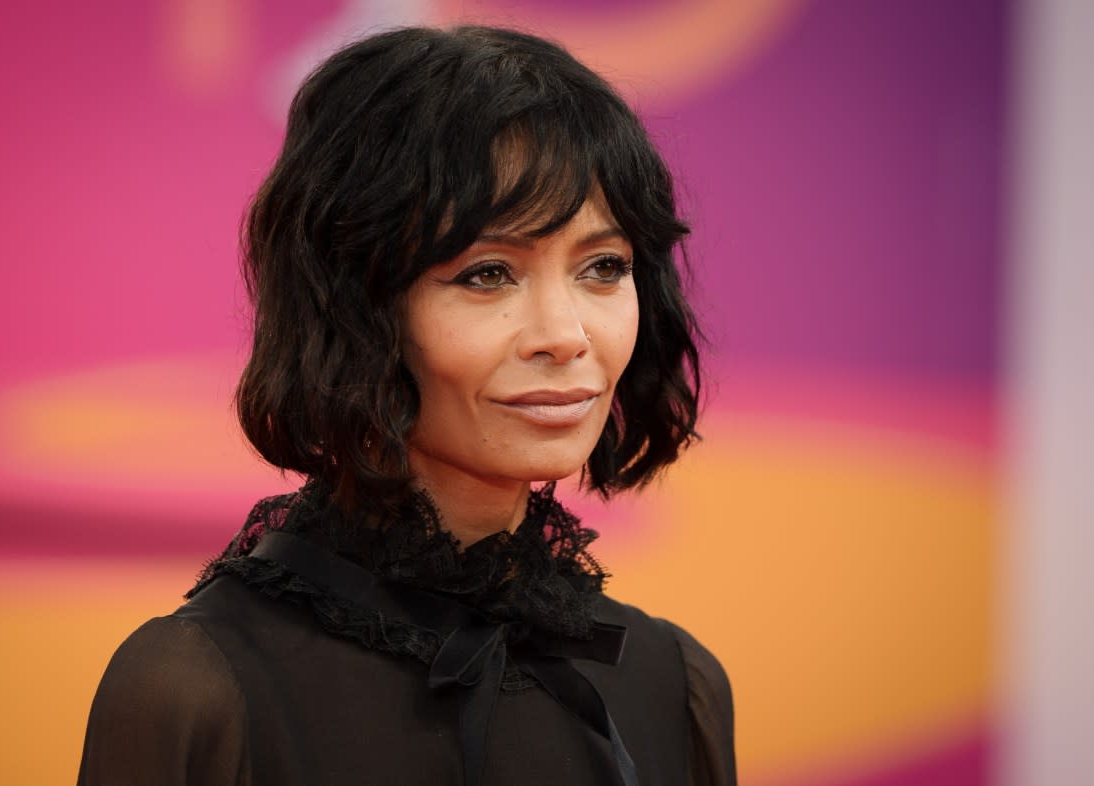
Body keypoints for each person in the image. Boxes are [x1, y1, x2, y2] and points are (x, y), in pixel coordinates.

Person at [77, 25, 735, 786]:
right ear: (358, 307)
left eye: (603, 267)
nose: (565, 335)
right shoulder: (196, 690)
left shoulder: (671, 682)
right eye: (488, 273)